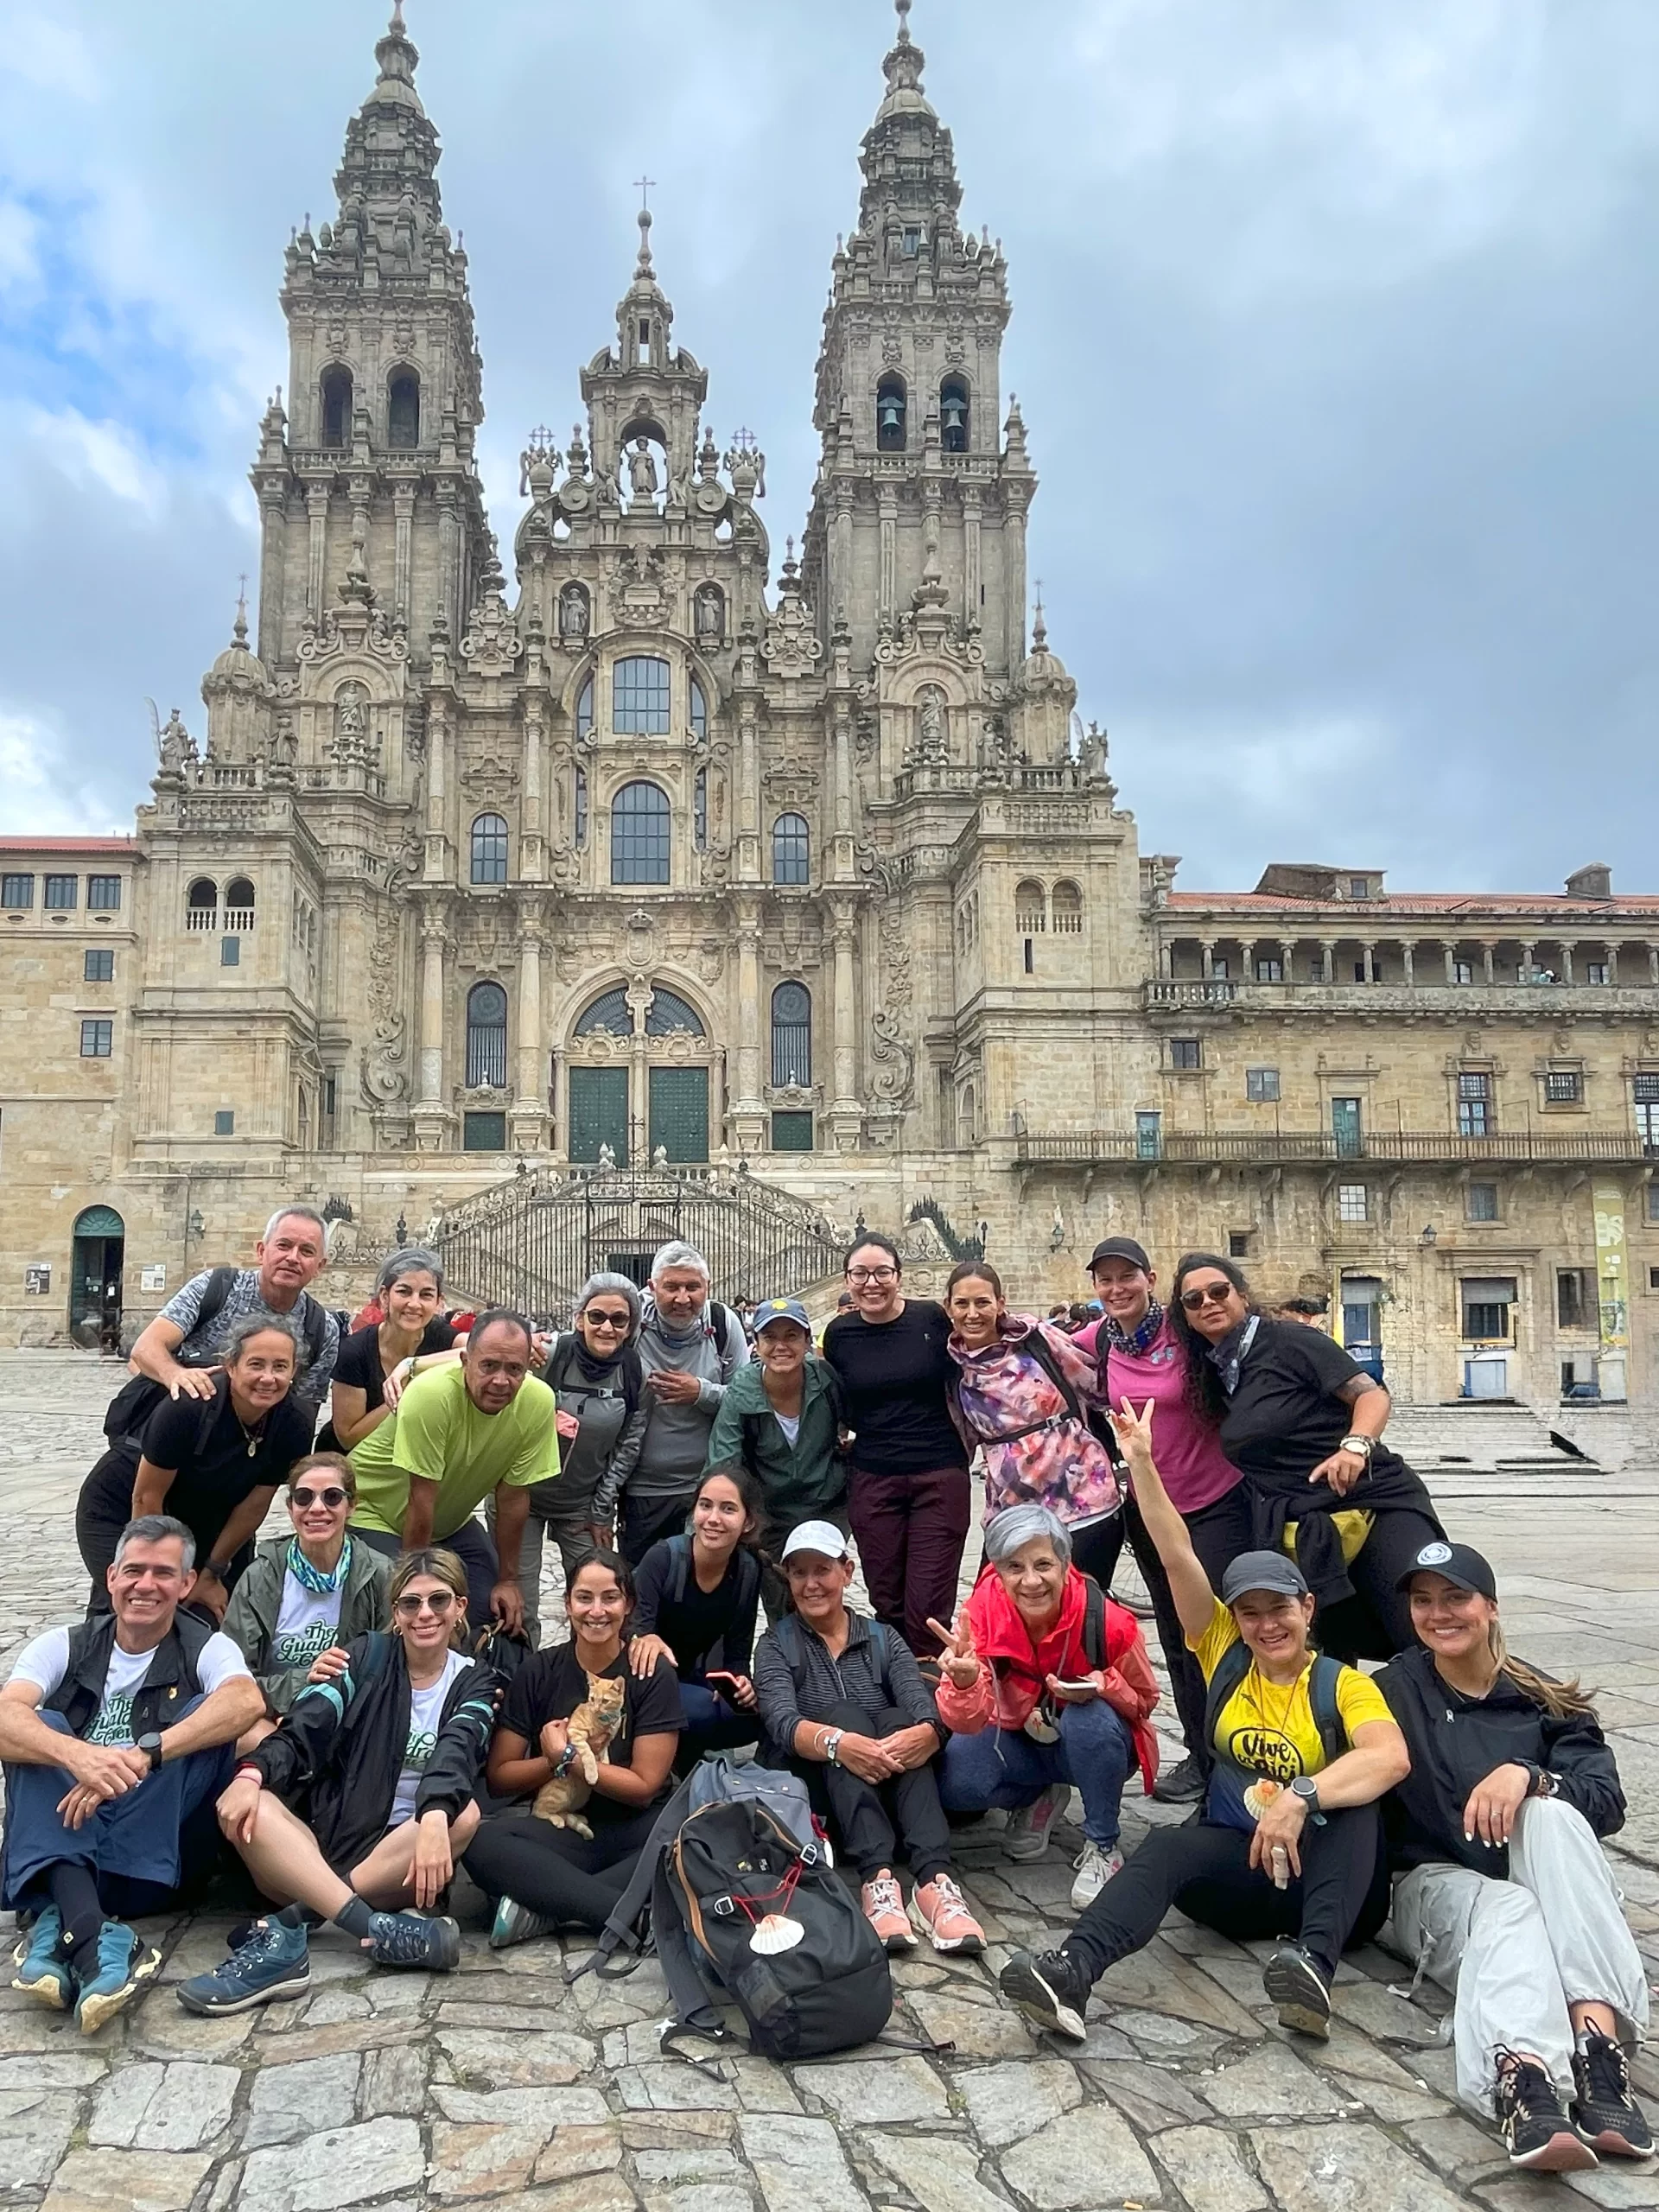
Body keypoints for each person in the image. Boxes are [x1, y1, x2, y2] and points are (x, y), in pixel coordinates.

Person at [1000, 1400, 1408, 2044]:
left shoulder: (1343, 1684)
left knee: (1357, 1809)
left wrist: (1301, 1797)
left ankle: (1312, 1969)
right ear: (1235, 1619)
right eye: (1250, 1613)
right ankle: (1071, 1971)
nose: (1267, 1626)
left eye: (1280, 1609)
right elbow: (1176, 1553)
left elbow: (1389, 1757)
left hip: (1332, 1889)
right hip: (1241, 1873)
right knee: (1165, 1845)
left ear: (1308, 1609)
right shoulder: (1224, 1654)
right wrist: (1141, 1462)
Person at [1378, 1540, 1650, 2172]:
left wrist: (1531, 1776)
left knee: (1550, 1814)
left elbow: (1606, 1802)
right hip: (1437, 1885)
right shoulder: (1393, 1691)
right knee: (1510, 1907)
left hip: (1543, 1882)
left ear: (1491, 1607)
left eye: (1456, 1598)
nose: (1439, 1614)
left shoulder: (1542, 1698)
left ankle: (1597, 2053)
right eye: (1423, 1601)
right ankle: (1524, 2078)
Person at [174, 1549, 495, 2014]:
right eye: (411, 1603)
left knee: (461, 1815)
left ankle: (292, 1924)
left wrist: (432, 1816)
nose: (425, 1614)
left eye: (438, 1601)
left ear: (460, 1607)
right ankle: (377, 1929)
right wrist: (251, 1773)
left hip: (402, 1863)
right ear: (396, 1613)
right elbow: (306, 1727)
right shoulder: (365, 1657)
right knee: (252, 1803)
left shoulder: (475, 1682)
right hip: (321, 1848)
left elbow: (457, 1752)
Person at [3, 1516, 264, 2031]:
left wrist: (147, 1754)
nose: (145, 1585)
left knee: (203, 1717)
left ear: (187, 1584)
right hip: (76, 1829)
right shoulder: (65, 1644)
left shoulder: (206, 1647)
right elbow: (6, 1715)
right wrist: (76, 1757)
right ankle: (92, 1932)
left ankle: (63, 1918)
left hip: (154, 1853)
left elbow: (246, 1702)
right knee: (39, 1728)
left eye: (163, 1573)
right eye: (134, 1571)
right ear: (111, 1578)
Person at [1167, 1253, 1443, 1663]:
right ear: (1187, 1317)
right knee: (1331, 1655)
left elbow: (1371, 1395)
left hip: (1371, 1501)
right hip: (1308, 1526)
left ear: (1242, 1296)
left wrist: (1355, 1446)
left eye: (1219, 1291)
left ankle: (1511, 1698)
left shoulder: (1290, 1341)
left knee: (1426, 1632)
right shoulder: (1218, 1373)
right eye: (1194, 1300)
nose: (1208, 1302)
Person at [753, 1521, 985, 1955]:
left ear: (847, 1572)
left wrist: (928, 1733)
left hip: (891, 1785)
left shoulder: (883, 1638)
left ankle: (935, 1880)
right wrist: (839, 1744)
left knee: (901, 1720)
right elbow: (781, 1722)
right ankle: (877, 1878)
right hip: (824, 1796)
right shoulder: (775, 1644)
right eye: (799, 1573)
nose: (811, 1584)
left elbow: (920, 1702)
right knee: (843, 1717)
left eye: (822, 1570)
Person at [1087, 1236, 1254, 1807]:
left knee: (1224, 1632)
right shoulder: (1100, 1340)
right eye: (1105, 1280)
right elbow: (1037, 1344)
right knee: (1179, 1639)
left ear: (1150, 1279)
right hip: (1151, 1510)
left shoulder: (1184, 1331)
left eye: (1126, 1277)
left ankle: (1240, 1749)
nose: (1117, 1289)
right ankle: (1202, 1758)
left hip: (1216, 1502)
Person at [932, 1504, 1159, 1909]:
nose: (1031, 1581)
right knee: (957, 1782)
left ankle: (1103, 1844)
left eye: (1043, 1564)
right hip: (1018, 1738)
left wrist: (1103, 1685)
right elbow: (965, 1722)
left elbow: (1145, 1700)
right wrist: (964, 1683)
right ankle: (1038, 1795)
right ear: (998, 1572)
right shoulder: (980, 1615)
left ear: (1065, 1564)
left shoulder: (1107, 1622)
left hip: (1093, 1742)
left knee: (1090, 1719)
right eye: (1014, 1567)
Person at [465, 1553, 682, 1947]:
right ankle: (624, 1914)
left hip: (637, 1828)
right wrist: (551, 1761)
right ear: (567, 1604)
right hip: (566, 1826)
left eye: (610, 1598)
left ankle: (551, 1902)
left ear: (628, 1605)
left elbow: (644, 1787)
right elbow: (499, 1778)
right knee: (481, 1845)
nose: (596, 1611)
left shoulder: (650, 1672)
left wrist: (569, 1759)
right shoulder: (539, 1670)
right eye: (584, 1598)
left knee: (680, 1843)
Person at [76, 1314, 315, 1619]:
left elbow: (254, 1507)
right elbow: (146, 1498)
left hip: (208, 1518)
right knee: (139, 1600)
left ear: (293, 1371)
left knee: (212, 1614)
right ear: (231, 1366)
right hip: (124, 1507)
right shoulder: (190, 1407)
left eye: (280, 1366)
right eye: (256, 1365)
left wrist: (211, 1574)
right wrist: (160, 1572)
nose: (268, 1378)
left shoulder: (295, 1422)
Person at [347, 1310, 554, 1634]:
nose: (501, 1381)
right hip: (373, 1511)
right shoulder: (431, 1395)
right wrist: (418, 1587)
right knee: (409, 1611)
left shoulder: (538, 1402)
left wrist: (508, 1579)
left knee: (487, 1608)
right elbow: (421, 1498)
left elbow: (513, 1499)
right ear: (465, 1361)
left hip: (449, 1522)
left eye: (514, 1369)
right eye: (489, 1366)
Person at [822, 1236, 971, 1658]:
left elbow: (974, 1362)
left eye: (882, 1272)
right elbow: (838, 1399)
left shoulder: (931, 1319)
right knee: (886, 1598)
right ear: (847, 1279)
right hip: (874, 1475)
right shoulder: (840, 1334)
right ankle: (895, 1680)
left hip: (937, 1473)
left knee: (929, 1602)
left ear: (899, 1277)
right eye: (860, 1274)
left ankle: (928, 1686)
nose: (872, 1283)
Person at [943, 1262, 1122, 1589]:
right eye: (962, 1303)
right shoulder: (952, 1364)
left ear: (1000, 1303)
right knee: (996, 1606)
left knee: (1083, 1606)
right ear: (948, 1308)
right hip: (1012, 1506)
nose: (972, 1313)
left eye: (982, 1302)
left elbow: (1095, 1384)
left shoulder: (1036, 1339)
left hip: (1081, 1497)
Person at [222, 1452, 391, 1738]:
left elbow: (389, 1672)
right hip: (269, 1718)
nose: (317, 1508)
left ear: (352, 1506)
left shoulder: (380, 1574)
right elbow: (232, 1679)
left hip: (347, 1720)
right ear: (290, 1508)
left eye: (332, 1497)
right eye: (304, 1498)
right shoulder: (260, 1576)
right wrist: (304, 1682)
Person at [519, 1274, 649, 1643]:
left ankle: (590, 1670)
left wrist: (601, 1508)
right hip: (523, 1496)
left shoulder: (633, 1373)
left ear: (630, 1326)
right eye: (596, 1317)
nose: (607, 1327)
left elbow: (628, 1446)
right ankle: (522, 1671)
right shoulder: (549, 1355)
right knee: (521, 1602)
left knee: (598, 1596)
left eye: (619, 1319)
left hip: (581, 1502)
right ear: (579, 1319)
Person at [123, 1206, 340, 1421]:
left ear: (319, 1266)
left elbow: (304, 1412)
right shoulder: (216, 1288)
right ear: (261, 1251)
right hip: (184, 1424)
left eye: (306, 1251)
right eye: (283, 1245)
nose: (293, 1257)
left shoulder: (322, 1329)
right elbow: (145, 1348)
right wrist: (176, 1374)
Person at [609, 1243, 751, 1567]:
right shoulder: (630, 1323)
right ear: (652, 1287)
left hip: (706, 1489)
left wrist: (701, 1392)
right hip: (643, 1490)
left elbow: (746, 1399)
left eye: (692, 1287)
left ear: (708, 1287)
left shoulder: (723, 1324)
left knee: (701, 1582)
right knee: (642, 1582)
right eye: (672, 1287)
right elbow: (588, 1339)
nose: (682, 1299)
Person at [631, 1466, 766, 1770]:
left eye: (728, 1509)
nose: (713, 1518)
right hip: (642, 1678)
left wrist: (741, 1684)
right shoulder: (663, 1558)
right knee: (703, 1711)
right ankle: (665, 1761)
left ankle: (684, 1752)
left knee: (752, 1715)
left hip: (692, 1674)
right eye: (705, 1505)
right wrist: (647, 1638)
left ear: (748, 1522)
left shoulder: (747, 1570)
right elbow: (635, 1631)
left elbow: (738, 1651)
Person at [703, 1295, 848, 1548]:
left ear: (807, 1341)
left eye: (791, 1336)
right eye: (770, 1337)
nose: (781, 1346)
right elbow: (724, 1461)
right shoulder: (741, 1393)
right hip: (767, 1517)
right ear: (757, 1345)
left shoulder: (827, 1380)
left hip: (826, 1509)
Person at [322, 1249, 459, 1454]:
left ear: (439, 1303)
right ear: (385, 1297)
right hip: (351, 1459)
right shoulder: (354, 1352)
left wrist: (411, 1366)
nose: (414, 1304)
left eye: (426, 1295)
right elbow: (348, 1438)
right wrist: (407, 1391)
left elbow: (479, 1352)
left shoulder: (440, 1335)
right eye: (404, 1291)